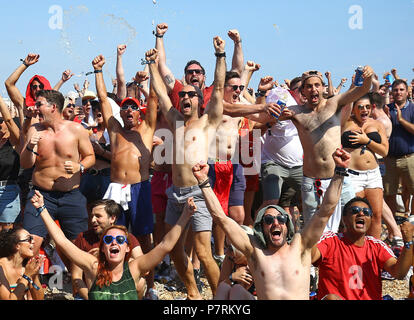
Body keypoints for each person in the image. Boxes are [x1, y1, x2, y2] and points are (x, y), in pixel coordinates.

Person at [191, 147, 351, 299]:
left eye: (281, 219)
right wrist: (204, 181)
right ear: (261, 227)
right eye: (268, 220)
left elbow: (325, 211)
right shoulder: (255, 251)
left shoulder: (300, 246)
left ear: (287, 225)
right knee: (235, 291)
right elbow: (221, 217)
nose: (276, 222)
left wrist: (340, 172)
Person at [147, 35, 226, 299]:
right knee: (173, 247)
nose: (185, 98)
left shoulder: (207, 122)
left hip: (199, 192)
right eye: (182, 96)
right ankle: (193, 293)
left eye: (191, 95)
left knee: (203, 252)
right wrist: (150, 65)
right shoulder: (175, 121)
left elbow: (218, 89)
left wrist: (219, 56)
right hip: (175, 193)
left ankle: (217, 296)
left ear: (199, 101)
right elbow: (160, 91)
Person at [30, 190, 195, 300]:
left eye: (120, 240)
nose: (114, 242)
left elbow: (166, 245)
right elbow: (62, 241)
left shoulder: (134, 268)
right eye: (108, 240)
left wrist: (186, 215)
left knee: (141, 284)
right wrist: (42, 209)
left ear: (127, 247)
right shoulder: (93, 266)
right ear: (103, 247)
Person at [92, 54, 158, 299]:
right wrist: (98, 71)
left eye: (133, 107)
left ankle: (149, 287)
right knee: (110, 236)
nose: (129, 110)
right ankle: (108, 279)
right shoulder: (116, 131)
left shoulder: (147, 129)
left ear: (138, 113)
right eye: (125, 107)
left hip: (140, 187)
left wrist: (151, 66)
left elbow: (153, 98)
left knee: (143, 238)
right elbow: (103, 99)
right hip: (116, 189)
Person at [279, 67, 374, 233]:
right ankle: (316, 259)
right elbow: (271, 117)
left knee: (353, 221)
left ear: (323, 87)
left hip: (339, 178)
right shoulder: (296, 112)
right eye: (308, 86)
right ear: (302, 91)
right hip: (312, 182)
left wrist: (368, 77)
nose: (313, 89)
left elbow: (362, 90)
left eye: (317, 85)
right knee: (313, 229)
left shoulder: (334, 103)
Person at [20, 89, 95, 259]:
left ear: (53, 107)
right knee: (30, 244)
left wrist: (79, 167)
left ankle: (78, 283)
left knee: (78, 248)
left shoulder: (76, 129)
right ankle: (32, 284)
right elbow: (25, 164)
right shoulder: (35, 130)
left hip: (71, 197)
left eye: (39, 104)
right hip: (41, 195)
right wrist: (30, 146)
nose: (35, 109)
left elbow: (90, 157)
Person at [312, 197, 414, 300]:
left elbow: (399, 273)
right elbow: (309, 256)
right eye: (355, 211)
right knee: (331, 298)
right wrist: (317, 222)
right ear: (344, 219)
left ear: (370, 219)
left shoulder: (376, 246)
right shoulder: (331, 241)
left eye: (366, 212)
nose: (361, 214)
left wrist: (408, 242)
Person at [154, 23, 244, 112]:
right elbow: (161, 64)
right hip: (180, 126)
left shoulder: (212, 92)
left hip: (204, 126)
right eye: (190, 72)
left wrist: (237, 42)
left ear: (204, 77)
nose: (194, 74)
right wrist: (159, 36)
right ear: (185, 77)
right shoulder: (178, 91)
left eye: (198, 72)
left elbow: (236, 71)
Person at [71, 199, 145, 300]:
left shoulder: (125, 238)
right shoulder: (83, 238)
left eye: (98, 216)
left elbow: (145, 270)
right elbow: (76, 277)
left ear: (112, 218)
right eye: (92, 216)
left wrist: (106, 256)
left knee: (141, 282)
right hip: (90, 291)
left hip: (120, 291)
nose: (93, 220)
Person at [340, 94, 388, 239]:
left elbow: (384, 151)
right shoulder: (345, 123)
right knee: (351, 217)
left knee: (376, 216)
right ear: (353, 109)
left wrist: (366, 140)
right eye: (360, 107)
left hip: (373, 175)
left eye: (367, 107)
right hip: (352, 175)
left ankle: (374, 251)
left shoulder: (377, 124)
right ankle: (351, 249)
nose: (364, 110)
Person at [383, 79, 414, 216]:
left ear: (407, 92)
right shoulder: (386, 109)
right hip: (390, 159)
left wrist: (401, 120)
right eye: (395, 90)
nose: (398, 92)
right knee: (389, 193)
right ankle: (393, 224)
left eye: (401, 90)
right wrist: (385, 120)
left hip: (409, 158)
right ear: (392, 92)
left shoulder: (413, 108)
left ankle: (411, 219)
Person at [79, 101, 112, 207]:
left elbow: (119, 158)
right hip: (89, 177)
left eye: (100, 108)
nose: (98, 112)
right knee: (86, 211)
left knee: (105, 211)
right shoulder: (87, 131)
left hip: (106, 177)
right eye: (95, 109)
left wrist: (101, 152)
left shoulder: (114, 133)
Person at [0, 227, 44, 300]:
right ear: (17, 246)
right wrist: (26, 276)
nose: (33, 241)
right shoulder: (1, 267)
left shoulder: (27, 266)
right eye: (29, 239)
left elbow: (39, 298)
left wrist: (34, 275)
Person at [214, 225, 256, 300]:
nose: (226, 252)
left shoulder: (258, 262)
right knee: (223, 287)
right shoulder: (230, 258)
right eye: (226, 247)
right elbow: (220, 288)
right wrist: (231, 278)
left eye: (230, 248)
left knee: (237, 289)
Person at [0, 95, 23, 230]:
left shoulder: (14, 142)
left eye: (0, 121)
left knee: (7, 233)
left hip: (8, 191)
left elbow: (8, 119)